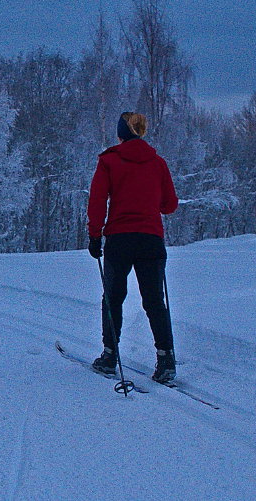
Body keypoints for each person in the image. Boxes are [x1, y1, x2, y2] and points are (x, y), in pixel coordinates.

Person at [86, 112, 179, 383]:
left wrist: (95, 236)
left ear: (121, 133)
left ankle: (109, 356)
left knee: (114, 297)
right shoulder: (158, 163)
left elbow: (97, 200)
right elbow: (170, 205)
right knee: (153, 301)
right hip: (151, 239)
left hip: (120, 238)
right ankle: (166, 360)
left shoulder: (109, 161)